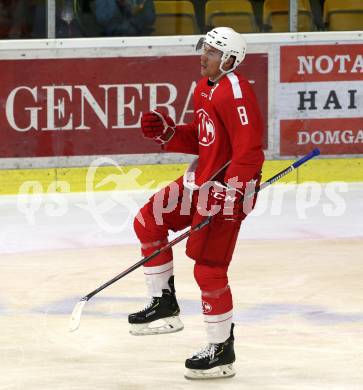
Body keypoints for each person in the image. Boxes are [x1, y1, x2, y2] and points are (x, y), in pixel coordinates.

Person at [130, 27, 265, 380]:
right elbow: (207, 139)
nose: (203, 56)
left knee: (208, 268)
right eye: (204, 48)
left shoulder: (234, 92)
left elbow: (249, 150)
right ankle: (164, 304)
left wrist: (233, 192)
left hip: (226, 192)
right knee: (149, 219)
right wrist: (169, 133)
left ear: (230, 60)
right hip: (202, 182)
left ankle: (221, 351)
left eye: (212, 52)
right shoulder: (208, 87)